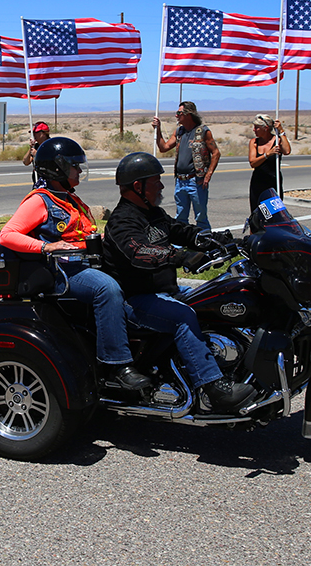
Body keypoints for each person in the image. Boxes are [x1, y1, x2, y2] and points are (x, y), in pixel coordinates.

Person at [102, 152, 255, 411]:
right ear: (138, 186)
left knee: (215, 298)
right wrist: (181, 257)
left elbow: (179, 230)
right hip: (137, 300)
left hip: (166, 291)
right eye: (155, 181)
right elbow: (140, 252)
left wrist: (212, 240)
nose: (161, 186)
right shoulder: (122, 221)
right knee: (184, 317)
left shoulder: (154, 213)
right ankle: (213, 387)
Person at [0, 138, 151, 391]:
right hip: (62, 271)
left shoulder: (69, 198)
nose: (79, 170)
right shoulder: (41, 200)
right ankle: (117, 365)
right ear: (57, 168)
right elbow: (8, 234)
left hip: (84, 265)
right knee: (107, 289)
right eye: (74, 166)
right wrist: (46, 246)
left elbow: (80, 235)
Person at [152, 101, 220, 231]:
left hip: (196, 180)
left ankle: (204, 240)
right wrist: (158, 130)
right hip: (180, 181)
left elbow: (216, 153)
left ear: (188, 114)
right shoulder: (179, 132)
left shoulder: (203, 132)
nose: (176, 116)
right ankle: (181, 244)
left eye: (179, 113)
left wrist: (208, 174)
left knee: (200, 216)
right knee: (181, 215)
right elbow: (164, 147)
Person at [248, 115, 291, 212]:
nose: (254, 130)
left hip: (273, 181)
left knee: (274, 212)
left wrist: (281, 131)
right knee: (257, 211)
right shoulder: (254, 142)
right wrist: (267, 154)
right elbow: (253, 163)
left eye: (257, 128)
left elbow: (287, 151)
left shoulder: (277, 141)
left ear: (266, 128)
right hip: (258, 182)